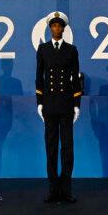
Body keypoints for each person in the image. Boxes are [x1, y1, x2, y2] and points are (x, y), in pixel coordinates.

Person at [36, 11, 81, 204]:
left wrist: (77, 104)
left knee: (67, 149)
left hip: (66, 104)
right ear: (50, 28)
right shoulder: (43, 49)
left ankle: (66, 190)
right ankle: (53, 190)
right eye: (53, 26)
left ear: (63, 28)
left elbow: (76, 79)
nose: (56, 28)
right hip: (49, 105)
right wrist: (39, 102)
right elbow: (39, 77)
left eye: (59, 25)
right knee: (51, 148)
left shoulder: (72, 50)